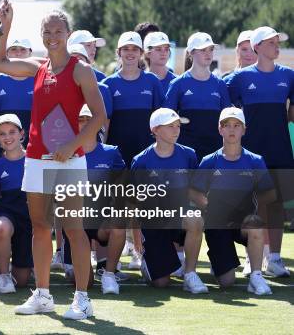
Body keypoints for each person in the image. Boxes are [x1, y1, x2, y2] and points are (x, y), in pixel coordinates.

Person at [0, 0, 106, 320]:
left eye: (58, 31)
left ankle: (82, 299)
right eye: (46, 31)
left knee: (73, 229)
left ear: (67, 34)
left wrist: (73, 145)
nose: (52, 36)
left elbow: (99, 117)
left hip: (70, 161)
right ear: (41, 35)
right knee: (40, 227)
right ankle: (42, 295)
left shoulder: (81, 70)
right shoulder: (36, 67)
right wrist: (5, 25)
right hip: (36, 160)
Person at [226, 26, 293, 278]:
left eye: (278, 42)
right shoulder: (238, 78)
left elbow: (291, 114)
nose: (277, 46)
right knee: (251, 206)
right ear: (257, 47)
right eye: (272, 42)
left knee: (275, 205)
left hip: (280, 150)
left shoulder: (289, 76)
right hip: (250, 152)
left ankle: (274, 259)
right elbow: (227, 112)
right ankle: (250, 257)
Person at [190, 107, 275, 295]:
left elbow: (269, 194)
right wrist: (209, 205)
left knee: (255, 225)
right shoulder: (209, 161)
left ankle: (256, 276)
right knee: (227, 281)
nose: (231, 130)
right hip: (217, 224)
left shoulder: (255, 161)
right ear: (220, 129)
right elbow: (194, 193)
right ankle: (219, 261)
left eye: (236, 125)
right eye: (226, 125)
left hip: (243, 222)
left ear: (244, 130)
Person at [131, 108, 207, 293]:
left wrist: (210, 205)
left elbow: (192, 191)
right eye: (170, 126)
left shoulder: (189, 155)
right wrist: (135, 238)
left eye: (178, 126)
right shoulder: (141, 161)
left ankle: (190, 274)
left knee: (195, 219)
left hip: (178, 217)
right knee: (161, 283)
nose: (176, 130)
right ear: (155, 130)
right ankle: (149, 262)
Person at [61, 105, 127, 293]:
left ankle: (109, 274)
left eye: (88, 119)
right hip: (74, 222)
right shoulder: (65, 152)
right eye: (80, 120)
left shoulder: (111, 152)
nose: (84, 124)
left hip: (101, 221)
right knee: (84, 283)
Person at [164, 32, 231, 162]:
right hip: (186, 153)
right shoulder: (178, 84)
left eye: (210, 49)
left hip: (215, 153)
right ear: (191, 53)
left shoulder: (220, 84)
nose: (208, 53)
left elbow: (227, 121)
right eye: (203, 50)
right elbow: (167, 121)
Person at [0, 113, 33, 293]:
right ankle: (3, 275)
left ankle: (25, 264)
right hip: (6, 213)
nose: (7, 137)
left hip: (29, 219)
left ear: (22, 134)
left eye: (12, 132)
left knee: (21, 281)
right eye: (2, 133)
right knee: (1, 227)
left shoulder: (34, 162)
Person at [102, 32, 164, 166]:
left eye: (135, 49)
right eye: (126, 49)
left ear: (141, 53)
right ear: (118, 52)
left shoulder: (152, 81)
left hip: (146, 154)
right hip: (117, 155)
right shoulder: (108, 84)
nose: (130, 53)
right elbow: (105, 124)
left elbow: (160, 121)